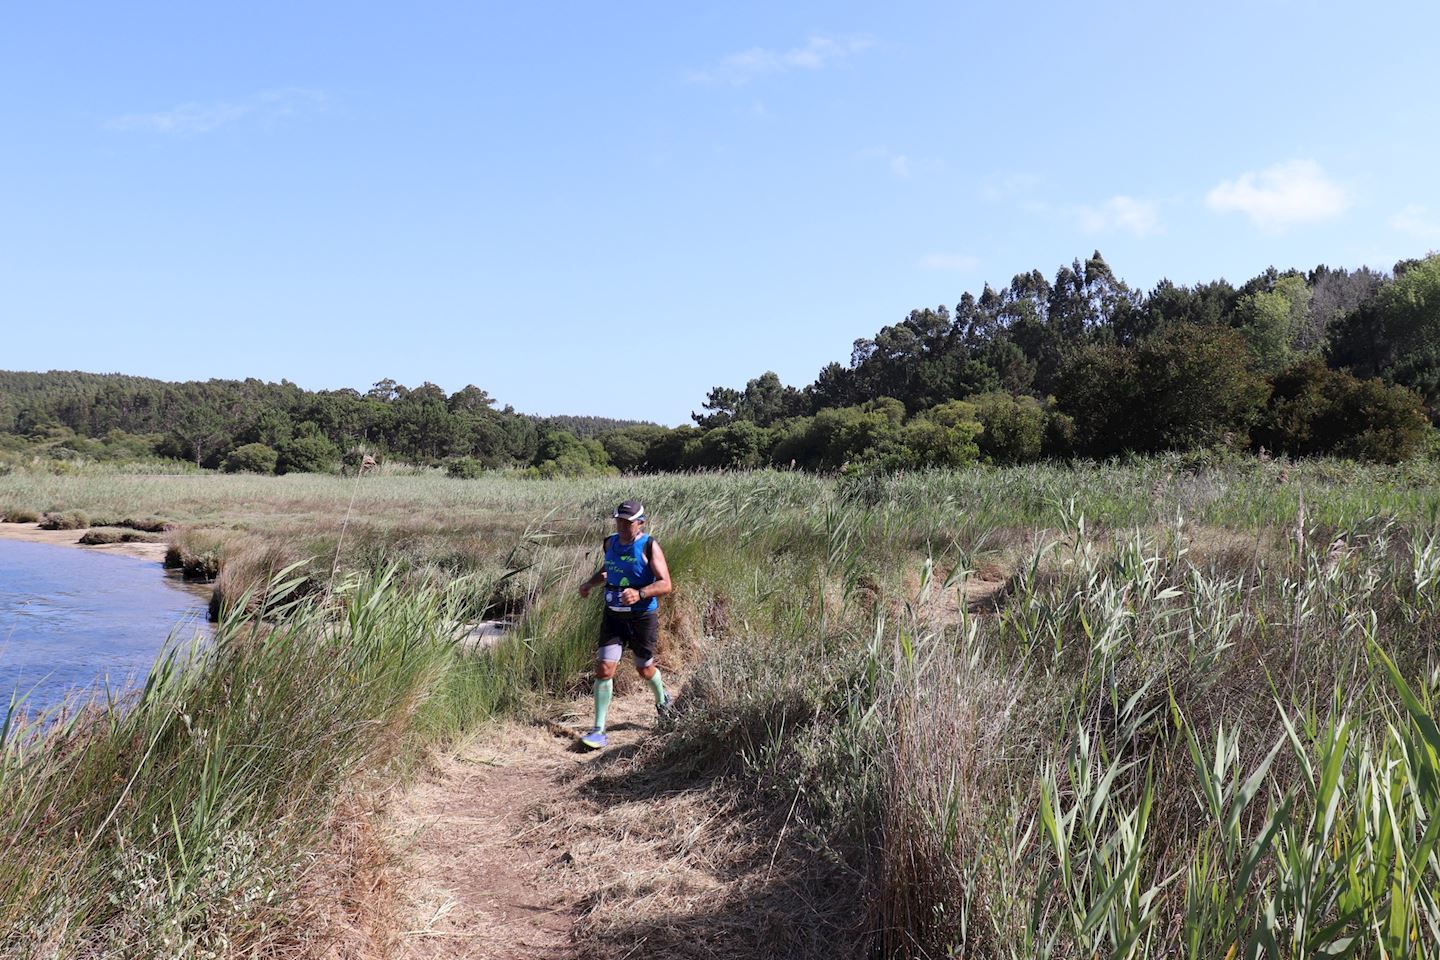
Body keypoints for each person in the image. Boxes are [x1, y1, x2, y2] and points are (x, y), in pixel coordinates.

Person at [576, 499, 673, 749]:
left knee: (644, 669)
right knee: (604, 669)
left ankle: (663, 700)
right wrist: (589, 583)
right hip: (613, 616)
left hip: (642, 617)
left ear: (640, 523)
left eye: (627, 522)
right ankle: (598, 729)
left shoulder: (649, 545)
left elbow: (665, 584)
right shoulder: (610, 543)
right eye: (618, 520)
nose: (621, 525)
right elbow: (609, 570)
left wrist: (640, 593)